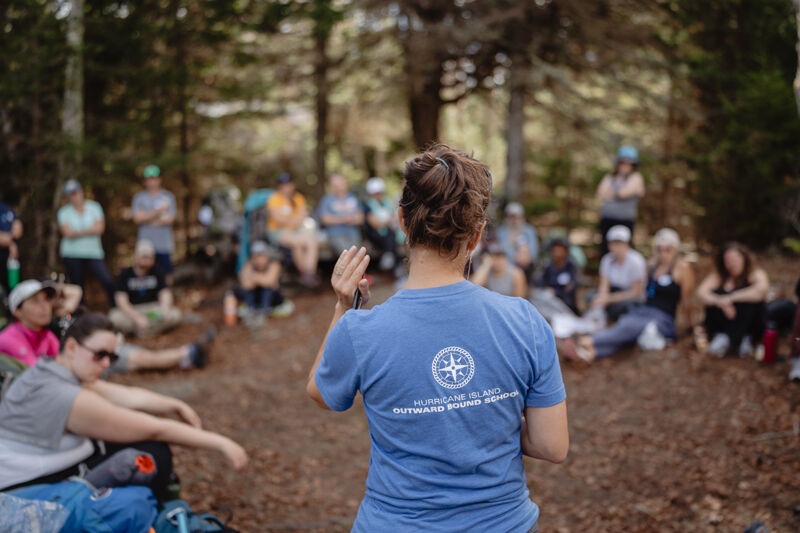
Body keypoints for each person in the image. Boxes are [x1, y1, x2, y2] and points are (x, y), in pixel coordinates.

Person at [307, 145, 568, 533]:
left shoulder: (361, 330)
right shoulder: (525, 321)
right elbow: (551, 446)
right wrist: (485, 421)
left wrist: (344, 307)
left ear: (401, 220)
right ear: (477, 236)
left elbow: (322, 393)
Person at [0, 313, 247, 497]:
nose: (107, 364)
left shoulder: (50, 369)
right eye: (100, 355)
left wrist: (174, 404)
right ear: (72, 347)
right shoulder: (65, 396)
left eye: (112, 356)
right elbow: (154, 428)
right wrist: (221, 443)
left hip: (30, 466)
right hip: (24, 485)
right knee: (153, 452)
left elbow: (126, 395)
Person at [570, 228, 695, 362]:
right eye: (660, 249)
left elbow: (686, 300)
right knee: (626, 329)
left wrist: (689, 327)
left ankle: (587, 341)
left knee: (627, 326)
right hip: (644, 311)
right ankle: (591, 354)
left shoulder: (681, 268)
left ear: (675, 249)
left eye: (668, 249)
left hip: (663, 318)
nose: (663, 253)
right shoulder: (652, 266)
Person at [696, 242, 769, 357]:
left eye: (736, 258)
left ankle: (745, 340)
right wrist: (721, 302)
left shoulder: (754, 273)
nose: (732, 263)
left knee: (749, 299)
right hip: (725, 323)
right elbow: (701, 293)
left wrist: (730, 298)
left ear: (744, 258)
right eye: (728, 260)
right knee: (716, 294)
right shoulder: (720, 276)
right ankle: (722, 337)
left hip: (749, 324)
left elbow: (761, 291)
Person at [57, 179, 116, 306]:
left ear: (81, 191)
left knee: (107, 281)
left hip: (94, 252)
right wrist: (90, 229)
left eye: (75, 192)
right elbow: (67, 233)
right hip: (71, 254)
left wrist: (77, 231)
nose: (74, 196)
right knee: (77, 286)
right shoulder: (64, 212)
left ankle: (116, 307)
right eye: (70, 194)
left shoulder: (94, 207)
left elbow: (100, 228)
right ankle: (79, 313)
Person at [110, 240, 182, 337]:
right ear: (136, 257)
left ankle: (141, 332)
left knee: (174, 314)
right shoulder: (125, 274)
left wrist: (165, 309)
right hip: (132, 310)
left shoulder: (157, 271)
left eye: (149, 257)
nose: (146, 260)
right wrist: (137, 317)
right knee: (114, 317)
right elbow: (121, 300)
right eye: (143, 257)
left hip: (152, 310)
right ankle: (148, 330)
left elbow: (165, 293)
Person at [266, 173, 319, 287]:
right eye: (284, 185)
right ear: (279, 186)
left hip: (295, 231)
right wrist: (294, 220)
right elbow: (278, 220)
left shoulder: (298, 198)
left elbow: (303, 215)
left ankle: (309, 272)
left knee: (311, 241)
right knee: (297, 243)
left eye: (289, 184)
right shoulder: (274, 199)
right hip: (277, 232)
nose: (287, 187)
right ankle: (305, 274)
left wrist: (290, 221)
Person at [596, 145, 645, 256]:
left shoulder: (636, 177)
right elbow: (600, 193)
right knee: (605, 251)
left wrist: (612, 192)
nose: (625, 166)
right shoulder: (610, 177)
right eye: (622, 162)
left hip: (625, 221)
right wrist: (618, 191)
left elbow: (624, 193)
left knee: (624, 252)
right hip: (607, 221)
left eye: (628, 163)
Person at [590, 225, 646, 321]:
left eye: (619, 243)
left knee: (623, 306)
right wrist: (602, 298)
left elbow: (635, 292)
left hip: (630, 297)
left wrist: (609, 299)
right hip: (614, 292)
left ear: (627, 244)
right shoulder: (607, 259)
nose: (616, 247)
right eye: (613, 243)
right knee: (591, 297)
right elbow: (604, 284)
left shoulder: (636, 261)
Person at [132, 165, 177, 280]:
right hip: (145, 243)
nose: (152, 181)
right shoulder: (139, 198)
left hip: (163, 243)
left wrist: (147, 217)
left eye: (154, 178)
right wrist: (159, 211)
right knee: (144, 272)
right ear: (145, 181)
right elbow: (137, 219)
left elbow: (170, 219)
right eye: (149, 178)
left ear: (160, 179)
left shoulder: (168, 197)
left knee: (166, 273)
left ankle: (166, 296)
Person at [0, 280, 59, 366]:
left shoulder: (47, 335)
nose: (44, 306)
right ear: (17, 311)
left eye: (46, 299)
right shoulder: (7, 339)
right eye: (35, 301)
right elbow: (35, 373)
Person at [237, 240, 286, 327]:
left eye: (262, 256)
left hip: (273, 299)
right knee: (248, 290)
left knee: (269, 288)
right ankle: (251, 311)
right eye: (257, 257)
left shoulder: (274, 264)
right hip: (256, 297)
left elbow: (270, 281)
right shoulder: (248, 265)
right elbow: (246, 285)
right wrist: (262, 279)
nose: (259, 260)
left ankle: (263, 313)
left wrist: (254, 278)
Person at [363, 177, 403, 271]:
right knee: (390, 237)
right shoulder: (368, 206)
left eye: (380, 192)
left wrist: (388, 221)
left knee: (391, 236)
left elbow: (394, 216)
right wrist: (389, 221)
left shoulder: (387, 202)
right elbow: (375, 224)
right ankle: (395, 264)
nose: (379, 195)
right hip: (375, 234)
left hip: (389, 233)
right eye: (376, 193)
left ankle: (390, 258)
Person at [318, 173, 364, 254]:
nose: (338, 187)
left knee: (356, 254)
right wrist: (345, 219)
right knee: (347, 255)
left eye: (340, 183)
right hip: (335, 234)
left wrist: (337, 219)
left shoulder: (353, 198)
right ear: (332, 186)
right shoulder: (327, 200)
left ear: (345, 183)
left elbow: (360, 218)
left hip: (353, 234)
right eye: (335, 185)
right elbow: (325, 219)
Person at [496, 202, 538, 279]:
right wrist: (516, 257)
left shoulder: (529, 230)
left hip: (528, 267)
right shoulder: (501, 232)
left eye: (516, 217)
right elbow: (503, 248)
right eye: (511, 217)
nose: (514, 220)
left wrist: (527, 258)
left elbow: (534, 248)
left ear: (522, 217)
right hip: (509, 267)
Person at [538, 236, 580, 313]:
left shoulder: (571, 267)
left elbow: (571, 288)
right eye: (554, 250)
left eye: (560, 249)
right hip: (549, 303)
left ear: (566, 251)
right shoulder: (548, 267)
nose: (556, 253)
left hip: (567, 306)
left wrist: (556, 292)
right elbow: (542, 284)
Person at [0, 200, 23, 296]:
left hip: (10, 257)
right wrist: (10, 243)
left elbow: (18, 229)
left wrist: (10, 241)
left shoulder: (6, 208)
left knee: (13, 288)